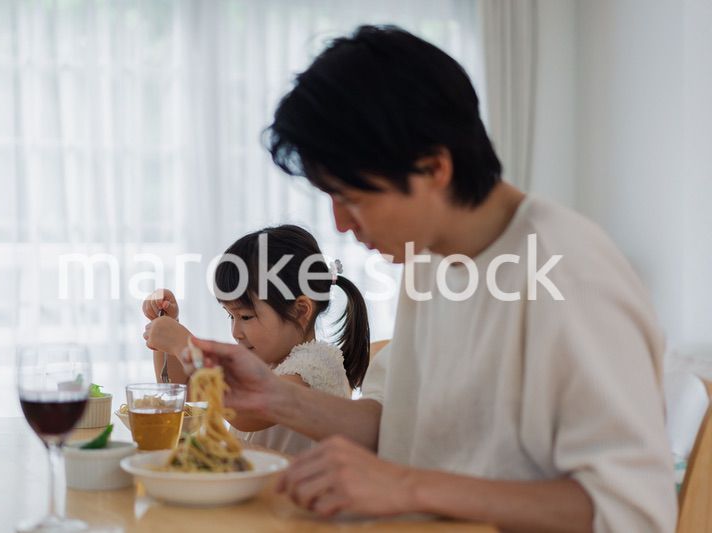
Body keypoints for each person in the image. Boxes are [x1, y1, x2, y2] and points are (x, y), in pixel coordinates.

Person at [179, 25, 677, 532]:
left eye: (353, 198)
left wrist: (404, 486)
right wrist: (275, 397)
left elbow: (633, 511)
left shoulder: (568, 270)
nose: (341, 225)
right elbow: (399, 431)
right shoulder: (429, 264)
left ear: (435, 167)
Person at [142, 224, 370, 455]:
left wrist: (185, 344)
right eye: (230, 316)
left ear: (301, 310)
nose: (235, 331)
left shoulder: (317, 363)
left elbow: (247, 412)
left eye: (246, 316)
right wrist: (169, 333)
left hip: (289, 488)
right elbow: (183, 392)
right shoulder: (265, 360)